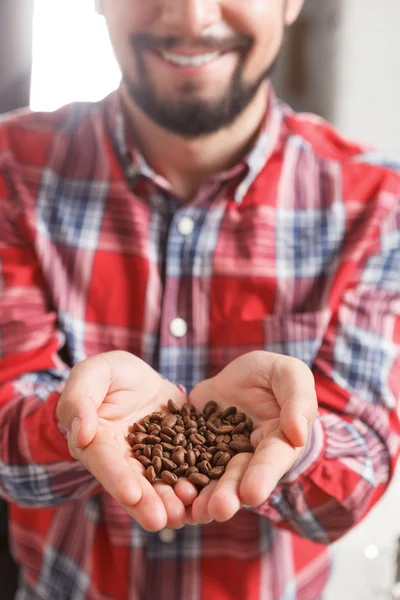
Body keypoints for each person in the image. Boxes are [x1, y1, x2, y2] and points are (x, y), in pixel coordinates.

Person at [0, 0, 399, 598]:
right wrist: (71, 421)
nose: (191, 16)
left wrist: (299, 439)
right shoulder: (10, 168)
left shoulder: (378, 203)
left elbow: (354, 486)